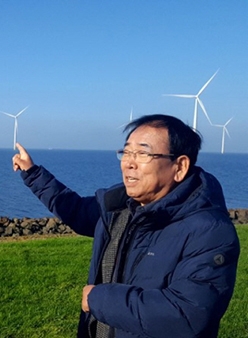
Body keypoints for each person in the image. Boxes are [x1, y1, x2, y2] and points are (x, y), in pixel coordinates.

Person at [12, 114, 240, 338]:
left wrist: (98, 299)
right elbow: (76, 210)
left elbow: (186, 315)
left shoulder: (209, 232)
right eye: (126, 152)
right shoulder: (119, 208)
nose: (129, 163)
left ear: (179, 166)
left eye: (142, 153)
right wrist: (33, 174)